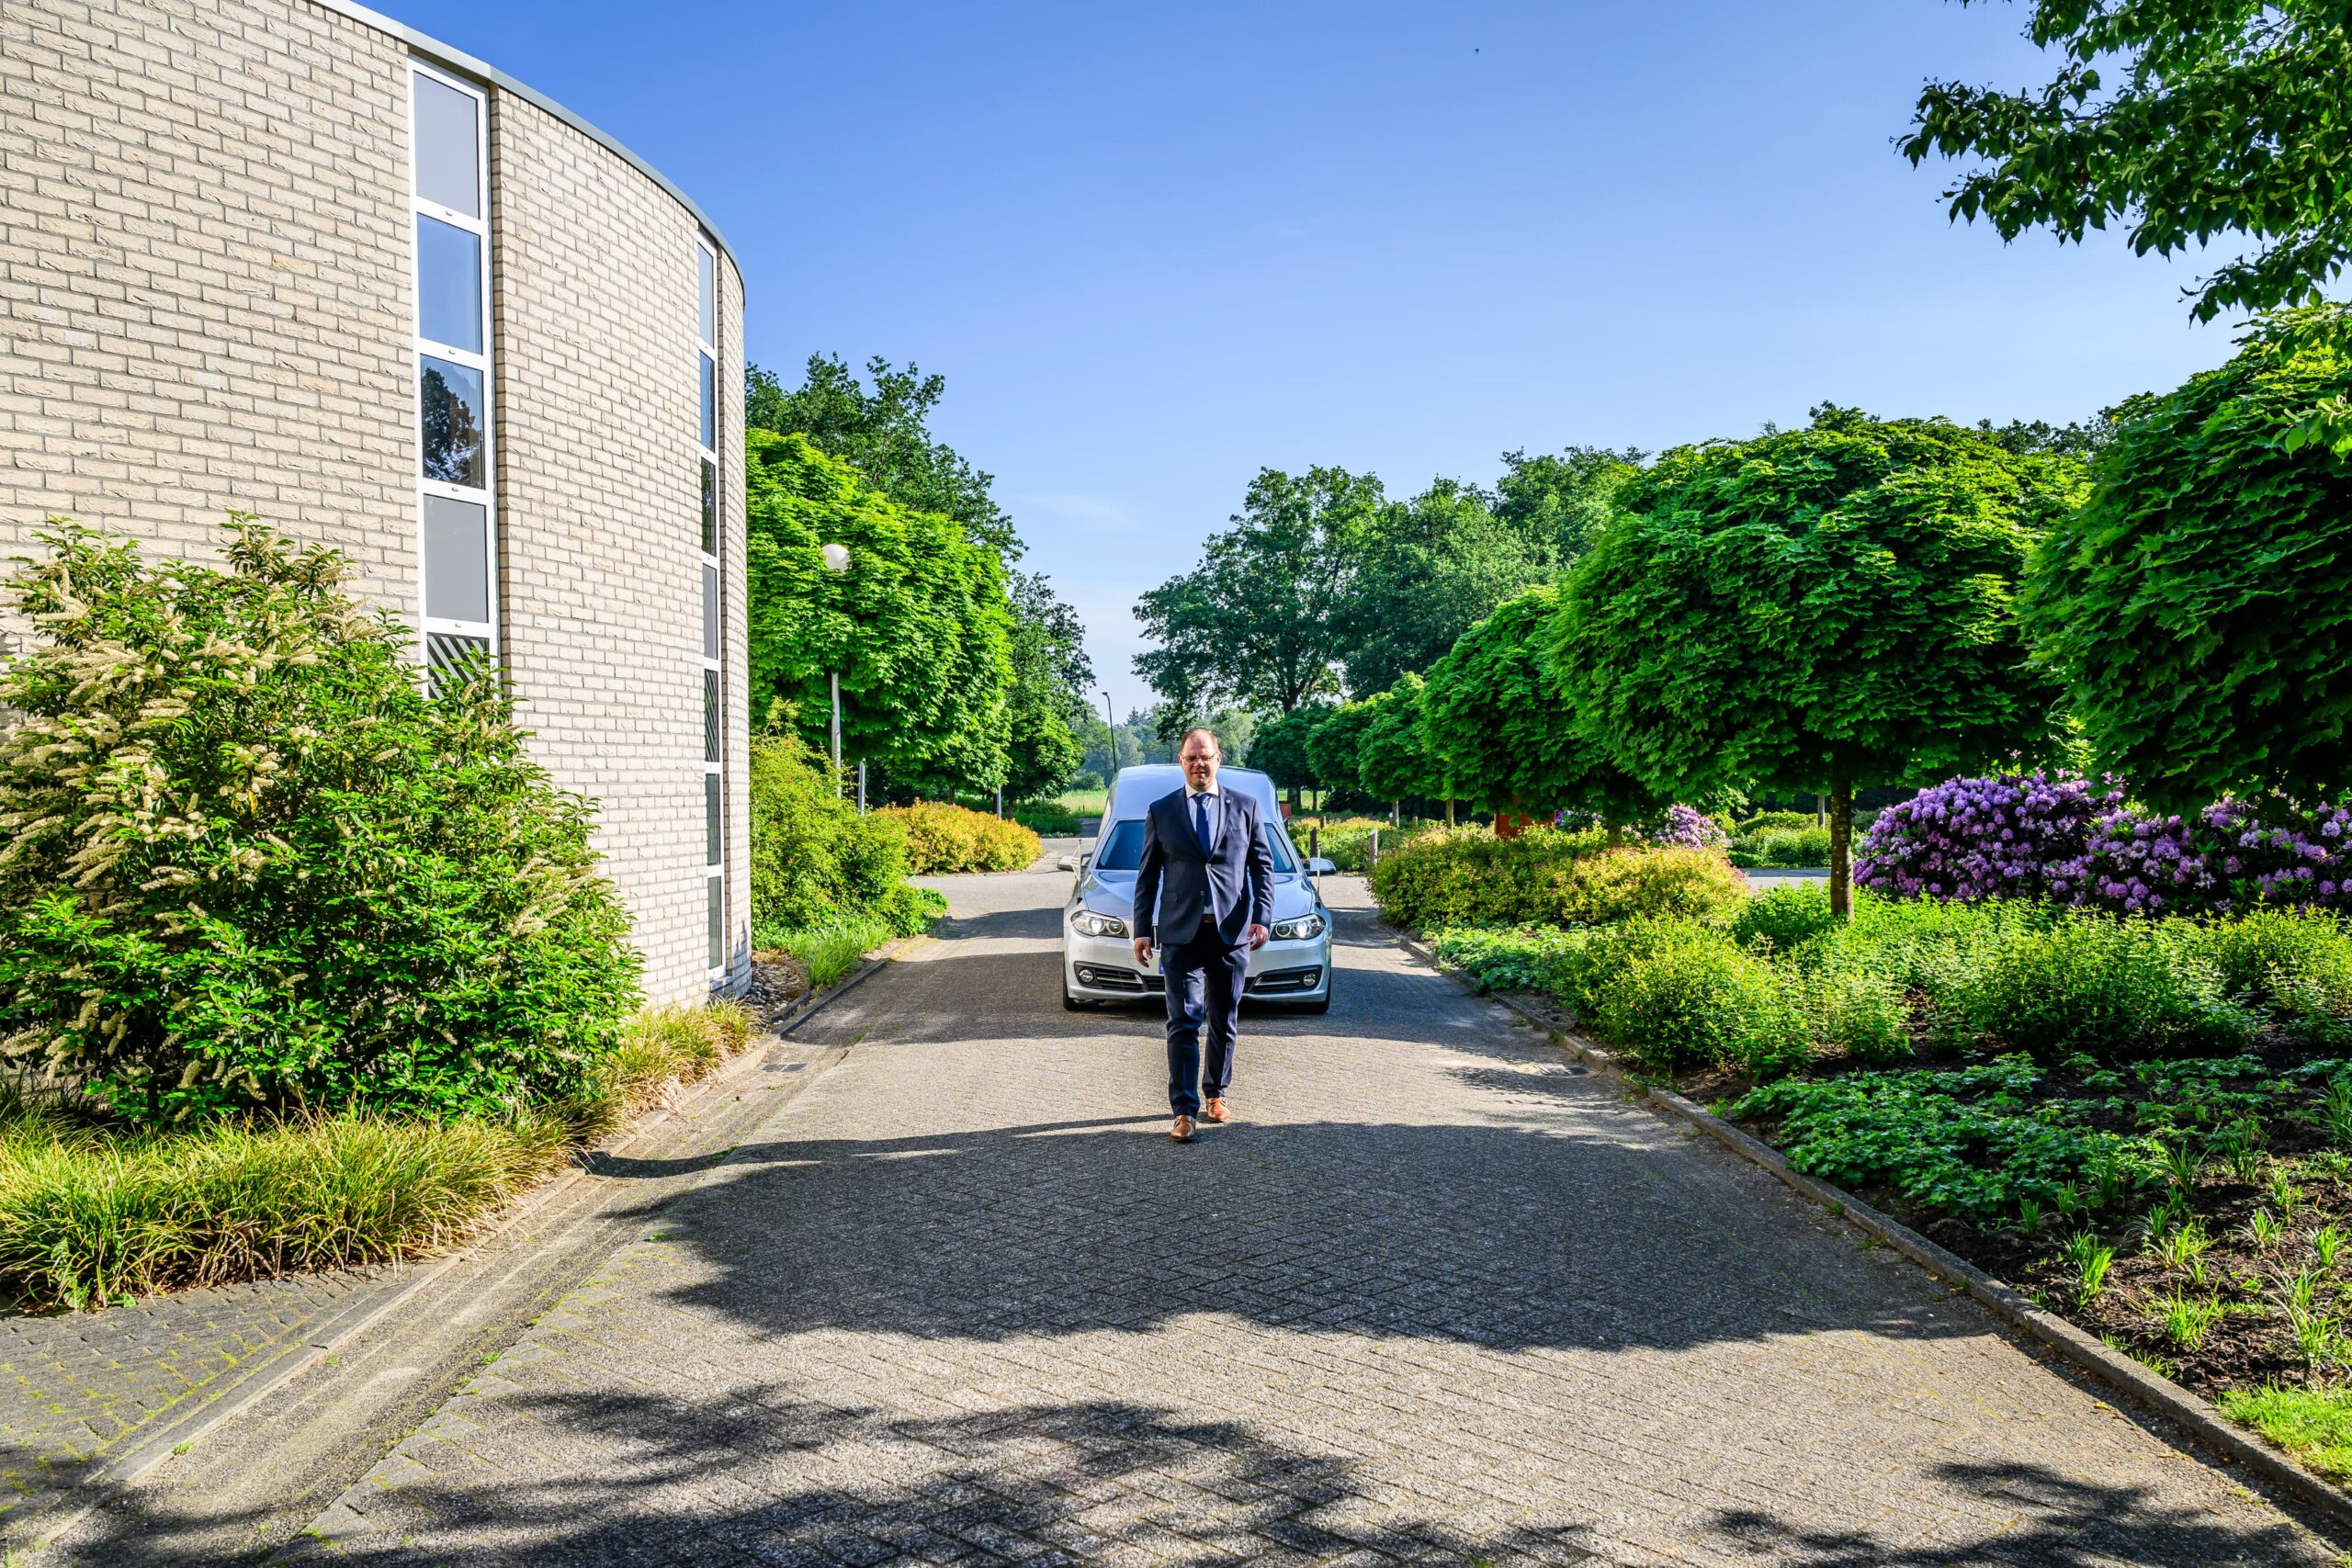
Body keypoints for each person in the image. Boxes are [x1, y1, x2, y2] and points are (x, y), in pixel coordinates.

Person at [1130, 727, 1275, 1143]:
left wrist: (1262, 917)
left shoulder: (1246, 807)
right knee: (1183, 1021)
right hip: (1180, 933)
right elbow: (1148, 876)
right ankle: (1184, 1111)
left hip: (1230, 934)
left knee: (1223, 1021)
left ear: (1218, 758)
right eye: (1191, 757)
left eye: (1205, 756)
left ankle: (1216, 1092)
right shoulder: (1162, 811)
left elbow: (1262, 868)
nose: (1199, 764)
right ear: (1181, 761)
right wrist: (1143, 929)